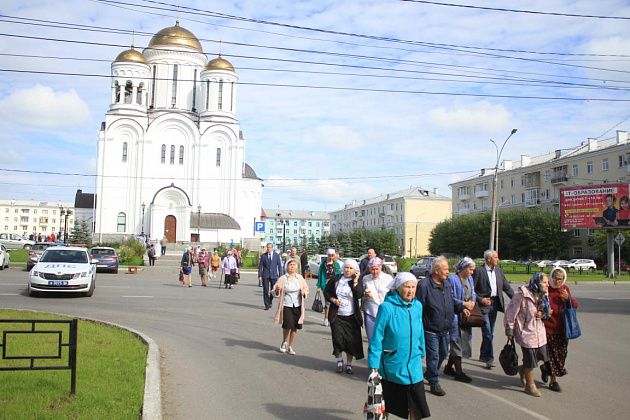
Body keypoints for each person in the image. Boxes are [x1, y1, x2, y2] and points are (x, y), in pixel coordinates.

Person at [369, 272, 430, 420]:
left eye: (413, 287)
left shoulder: (417, 306)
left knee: (417, 406)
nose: (411, 291)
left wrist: (422, 349)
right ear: (398, 288)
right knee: (386, 405)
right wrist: (374, 365)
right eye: (407, 287)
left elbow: (420, 328)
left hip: (414, 364)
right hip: (393, 365)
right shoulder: (387, 308)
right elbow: (377, 337)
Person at [416, 256, 461, 396]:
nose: (448, 272)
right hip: (431, 329)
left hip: (445, 328)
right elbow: (418, 307)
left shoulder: (446, 284)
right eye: (445, 269)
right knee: (433, 356)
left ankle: (430, 373)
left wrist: (461, 307)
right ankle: (434, 383)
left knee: (443, 354)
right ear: (436, 270)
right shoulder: (424, 285)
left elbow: (450, 301)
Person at [504, 272, 550, 397]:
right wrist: (509, 330)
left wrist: (543, 314)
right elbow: (510, 313)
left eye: (547, 282)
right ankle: (530, 386)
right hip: (526, 333)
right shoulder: (521, 295)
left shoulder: (543, 295)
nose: (547, 285)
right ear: (537, 282)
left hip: (540, 333)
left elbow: (547, 312)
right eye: (544, 282)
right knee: (530, 359)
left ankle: (522, 369)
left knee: (541, 356)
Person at [473, 249, 514, 369]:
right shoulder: (479, 271)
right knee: (487, 332)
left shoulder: (499, 271)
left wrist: (518, 299)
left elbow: (507, 287)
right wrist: (481, 299)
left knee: (490, 332)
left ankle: (483, 354)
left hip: (495, 305)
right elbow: (471, 290)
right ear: (488, 259)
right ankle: (489, 358)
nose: (498, 259)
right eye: (496, 257)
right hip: (483, 306)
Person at [324, 258, 364, 374]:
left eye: (351, 268)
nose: (348, 270)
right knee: (338, 339)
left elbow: (359, 295)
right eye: (346, 267)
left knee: (350, 342)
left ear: (355, 270)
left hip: (351, 316)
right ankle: (339, 361)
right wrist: (333, 300)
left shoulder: (357, 280)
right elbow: (327, 292)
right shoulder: (336, 279)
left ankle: (349, 364)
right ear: (343, 268)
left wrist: (355, 281)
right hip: (337, 315)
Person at [542, 267, 578, 392]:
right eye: (555, 278)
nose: (557, 281)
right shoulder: (546, 288)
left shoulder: (564, 289)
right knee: (551, 356)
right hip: (547, 328)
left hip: (562, 329)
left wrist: (567, 299)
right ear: (551, 277)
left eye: (560, 279)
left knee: (561, 355)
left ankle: (545, 369)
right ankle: (553, 381)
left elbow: (574, 306)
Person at [443, 257, 476, 383]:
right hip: (455, 315)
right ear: (463, 268)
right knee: (456, 341)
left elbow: (473, 292)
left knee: (462, 342)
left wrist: (472, 302)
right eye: (470, 269)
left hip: (466, 315)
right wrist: (463, 304)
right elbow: (449, 297)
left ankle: (448, 368)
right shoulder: (452, 279)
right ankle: (459, 372)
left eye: (473, 270)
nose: (472, 272)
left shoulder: (470, 279)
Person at [273, 259, 309, 355]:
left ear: (296, 267)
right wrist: (277, 289)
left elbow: (306, 288)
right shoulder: (283, 278)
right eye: (290, 265)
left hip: (297, 305)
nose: (292, 266)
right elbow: (274, 291)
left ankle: (291, 346)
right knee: (287, 325)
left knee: (295, 326)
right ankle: (284, 342)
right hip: (286, 304)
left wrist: (304, 292)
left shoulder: (300, 278)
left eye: (294, 265)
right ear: (287, 267)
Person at [362, 257, 394, 343]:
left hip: (385, 312)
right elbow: (361, 294)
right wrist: (365, 294)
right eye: (372, 269)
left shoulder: (388, 278)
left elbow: (393, 294)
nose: (375, 271)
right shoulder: (366, 278)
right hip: (370, 312)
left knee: (385, 339)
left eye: (377, 269)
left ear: (381, 267)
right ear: (369, 269)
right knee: (372, 339)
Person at [317, 248, 343, 326]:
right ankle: (326, 318)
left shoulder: (336, 264)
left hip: (334, 283)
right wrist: (318, 286)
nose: (331, 257)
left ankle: (333, 318)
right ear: (327, 255)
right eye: (329, 255)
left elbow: (338, 274)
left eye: (332, 255)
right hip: (325, 283)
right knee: (327, 301)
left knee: (335, 301)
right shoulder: (323, 264)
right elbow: (320, 275)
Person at [258, 243, 283, 309]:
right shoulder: (263, 256)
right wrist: (259, 275)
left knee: (273, 290)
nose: (269, 249)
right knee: (265, 290)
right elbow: (260, 266)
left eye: (270, 247)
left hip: (274, 275)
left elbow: (279, 266)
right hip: (265, 275)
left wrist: (280, 276)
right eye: (268, 247)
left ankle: (270, 301)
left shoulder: (276, 255)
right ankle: (266, 305)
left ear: (272, 248)